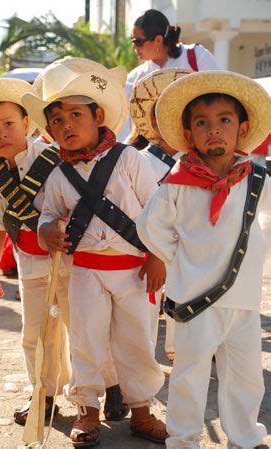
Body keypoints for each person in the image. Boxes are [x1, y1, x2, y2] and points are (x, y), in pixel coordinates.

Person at [22, 59, 167, 446]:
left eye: (74, 114)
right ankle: (88, 411)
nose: (65, 125)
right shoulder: (56, 175)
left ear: (98, 115)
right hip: (85, 270)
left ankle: (141, 411)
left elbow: (157, 211)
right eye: (56, 120)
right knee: (86, 340)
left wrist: (158, 256)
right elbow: (48, 214)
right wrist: (48, 229)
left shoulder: (131, 159)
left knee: (136, 340)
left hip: (136, 270)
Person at [136, 70, 271, 448]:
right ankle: (183, 440)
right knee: (189, 374)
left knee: (245, 375)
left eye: (224, 120)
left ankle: (245, 437)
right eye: (202, 123)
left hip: (243, 301)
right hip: (195, 299)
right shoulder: (177, 182)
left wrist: (258, 256)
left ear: (242, 129)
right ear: (189, 133)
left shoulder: (256, 180)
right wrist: (179, 258)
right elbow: (150, 226)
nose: (214, 130)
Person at [0, 78, 71, 425]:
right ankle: (43, 394)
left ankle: (104, 390)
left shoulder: (55, 158)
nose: (2, 134)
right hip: (30, 266)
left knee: (82, 329)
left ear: (27, 123)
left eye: (9, 124)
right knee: (35, 334)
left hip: (71, 262)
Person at [130, 66, 193, 362]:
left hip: (190, 258)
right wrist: (156, 254)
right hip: (148, 257)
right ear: (155, 121)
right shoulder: (138, 162)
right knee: (141, 325)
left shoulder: (198, 165)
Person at [118, 8, 218, 142]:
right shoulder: (135, 79)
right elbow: (126, 129)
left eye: (138, 41)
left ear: (158, 40)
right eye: (132, 40)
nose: (133, 47)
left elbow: (219, 96)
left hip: (200, 142)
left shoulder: (196, 57)